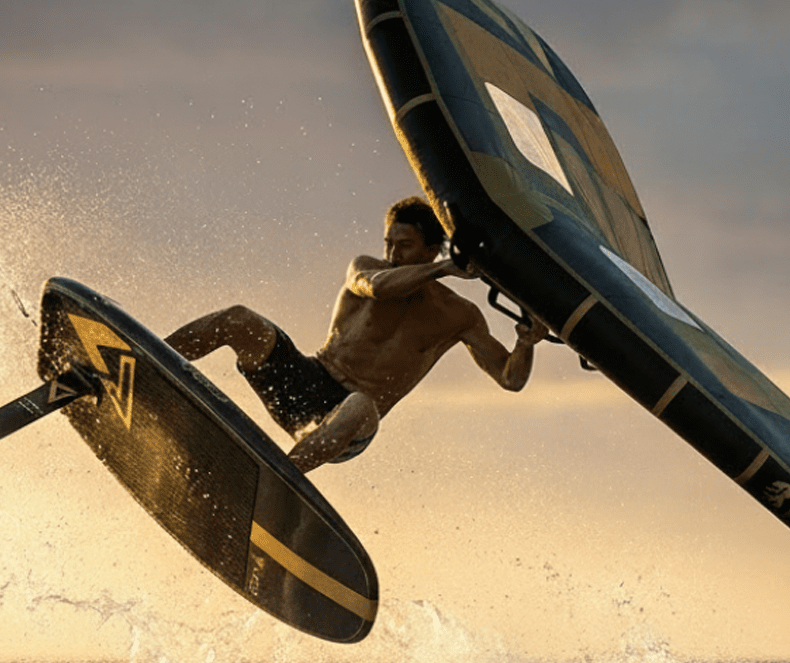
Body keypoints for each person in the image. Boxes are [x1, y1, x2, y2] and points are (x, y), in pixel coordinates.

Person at [165, 196, 548, 474]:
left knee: (361, 403)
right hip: (304, 381)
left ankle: (276, 478)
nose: (393, 253)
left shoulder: (459, 315)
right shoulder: (365, 268)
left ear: (432, 249)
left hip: (349, 425)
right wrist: (445, 268)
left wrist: (526, 343)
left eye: (405, 245)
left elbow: (510, 379)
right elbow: (378, 287)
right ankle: (150, 360)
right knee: (238, 319)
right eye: (389, 243)